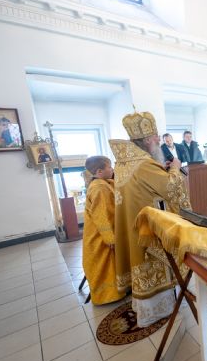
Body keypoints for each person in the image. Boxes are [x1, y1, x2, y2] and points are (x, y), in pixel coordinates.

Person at [109, 111, 191, 327]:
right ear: (147, 140)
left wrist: (162, 171)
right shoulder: (144, 164)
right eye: (155, 136)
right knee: (154, 262)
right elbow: (171, 188)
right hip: (149, 228)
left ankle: (147, 306)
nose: (158, 139)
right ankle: (159, 309)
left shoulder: (124, 161)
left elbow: (145, 185)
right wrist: (175, 168)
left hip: (133, 223)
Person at [82, 156, 125, 305]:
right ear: (99, 172)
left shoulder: (101, 183)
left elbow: (114, 186)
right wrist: (110, 238)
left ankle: (116, 291)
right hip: (100, 236)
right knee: (105, 265)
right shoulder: (99, 188)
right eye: (109, 167)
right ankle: (107, 296)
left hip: (103, 232)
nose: (112, 169)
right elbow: (100, 216)